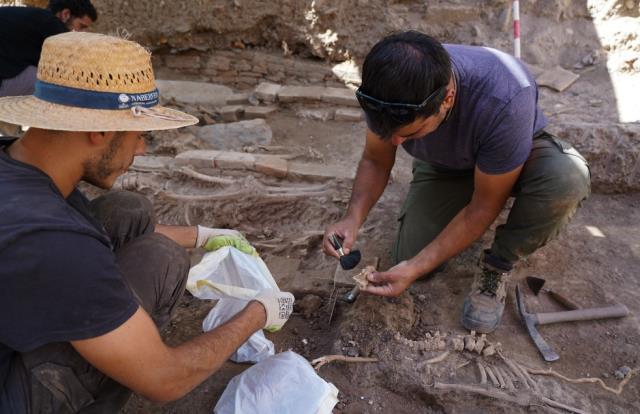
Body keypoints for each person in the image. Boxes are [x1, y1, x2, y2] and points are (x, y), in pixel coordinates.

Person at [0, 31, 294, 413]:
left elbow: (75, 228)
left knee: (128, 210)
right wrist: (259, 312)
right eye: (140, 136)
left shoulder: (23, 165)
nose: (141, 148)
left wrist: (203, 236)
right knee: (162, 258)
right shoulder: (55, 243)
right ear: (101, 131)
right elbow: (165, 379)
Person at [323, 31, 590, 334]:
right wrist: (352, 218)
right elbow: (375, 160)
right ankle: (450, 192)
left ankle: (498, 263)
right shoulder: (388, 91)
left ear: (447, 99)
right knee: (408, 259)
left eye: (409, 134)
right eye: (390, 133)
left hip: (513, 155)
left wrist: (417, 266)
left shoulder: (505, 98)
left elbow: (484, 206)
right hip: (446, 164)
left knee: (565, 179)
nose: (395, 142)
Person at [0, 0, 97, 98]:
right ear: (65, 14)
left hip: (6, 74)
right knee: (60, 84)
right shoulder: (53, 24)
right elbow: (78, 66)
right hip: (4, 80)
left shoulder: (34, 18)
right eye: (81, 26)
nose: (83, 33)